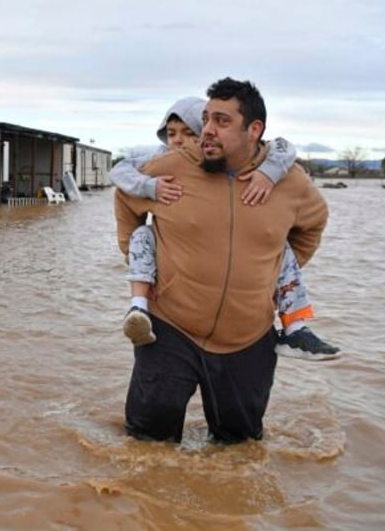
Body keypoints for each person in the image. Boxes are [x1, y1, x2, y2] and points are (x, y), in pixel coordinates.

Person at [114, 78, 329, 443]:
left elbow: (313, 223)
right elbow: (125, 198)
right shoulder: (173, 167)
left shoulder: (289, 181)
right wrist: (147, 265)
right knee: (146, 448)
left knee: (238, 448)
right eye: (207, 119)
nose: (207, 131)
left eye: (222, 121)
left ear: (254, 129)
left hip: (248, 338)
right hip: (169, 330)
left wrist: (266, 274)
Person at [110, 96, 340, 360]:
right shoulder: (163, 165)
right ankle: (138, 308)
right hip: (172, 319)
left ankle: (295, 328)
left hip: (247, 332)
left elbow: (284, 149)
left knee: (279, 247)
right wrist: (149, 189)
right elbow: (121, 177)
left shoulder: (259, 168)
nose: (178, 140)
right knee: (142, 236)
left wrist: (264, 269)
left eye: (188, 133)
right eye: (171, 133)